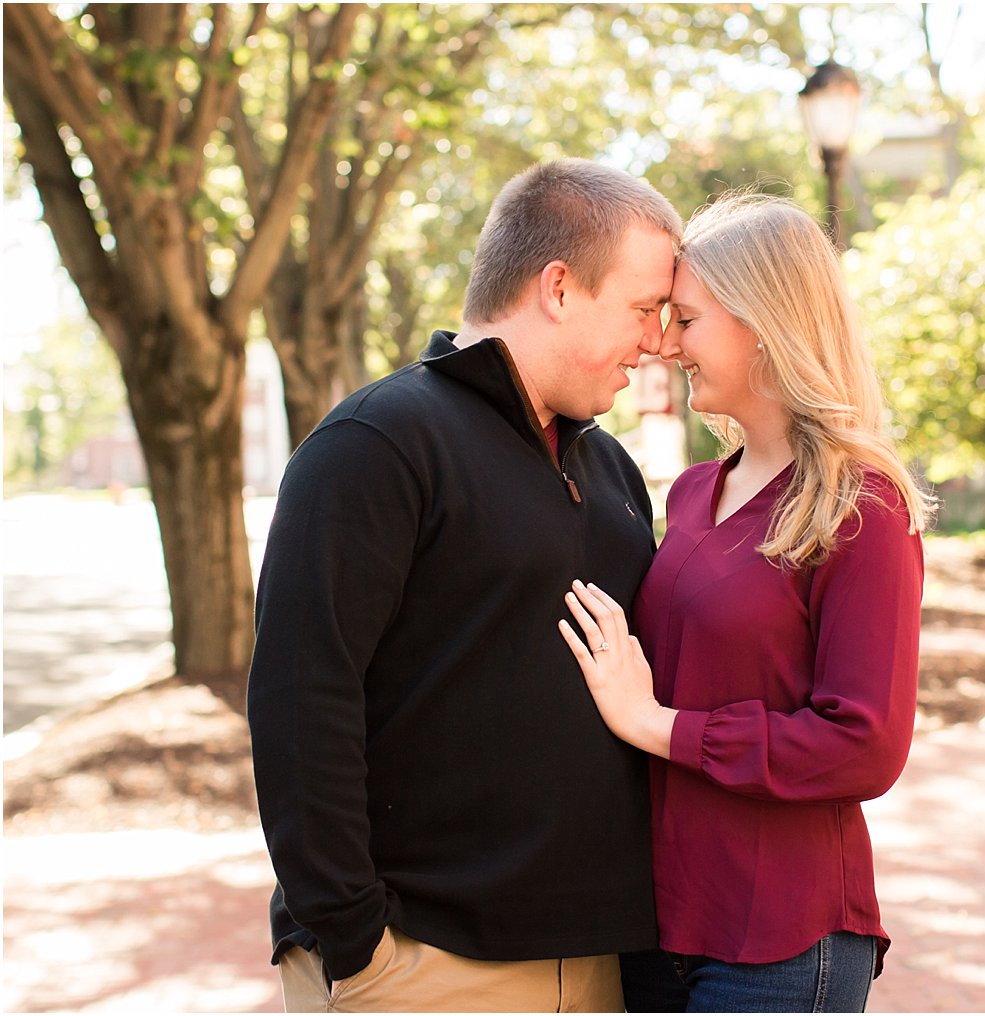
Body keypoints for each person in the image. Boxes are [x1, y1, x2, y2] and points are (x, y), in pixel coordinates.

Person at [246, 158, 682, 1013]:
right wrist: (355, 941)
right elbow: (302, 701)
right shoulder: (376, 443)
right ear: (558, 287)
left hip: (595, 965)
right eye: (642, 310)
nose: (658, 341)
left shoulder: (613, 468)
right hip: (421, 965)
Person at [558, 191, 935, 1013]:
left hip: (781, 936)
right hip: (661, 924)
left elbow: (864, 744)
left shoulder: (859, 506)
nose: (662, 344)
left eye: (684, 319)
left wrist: (660, 725)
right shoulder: (694, 493)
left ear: (762, 322)